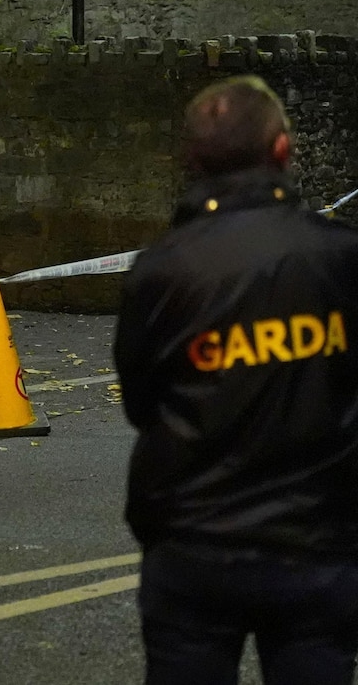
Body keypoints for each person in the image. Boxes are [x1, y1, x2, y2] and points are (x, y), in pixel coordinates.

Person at [116, 75, 358, 685]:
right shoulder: (340, 256)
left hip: (194, 539)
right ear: (282, 150)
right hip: (317, 537)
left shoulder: (161, 270)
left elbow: (141, 401)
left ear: (193, 160)